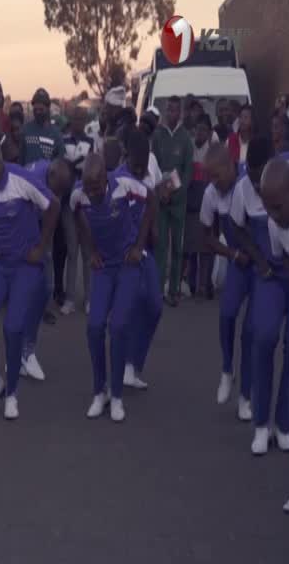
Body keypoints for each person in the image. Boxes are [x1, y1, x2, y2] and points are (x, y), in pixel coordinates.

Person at [0, 133, 60, 419]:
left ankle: (11, 394)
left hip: (25, 266)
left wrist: (41, 247)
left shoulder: (22, 180)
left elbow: (53, 206)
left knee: (12, 327)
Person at [72, 153, 155, 422]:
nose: (92, 193)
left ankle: (117, 395)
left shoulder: (125, 185)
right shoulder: (79, 195)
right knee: (95, 326)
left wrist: (140, 245)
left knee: (118, 326)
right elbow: (78, 219)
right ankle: (100, 391)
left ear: (105, 179)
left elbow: (152, 201)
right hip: (104, 266)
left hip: (128, 264)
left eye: (96, 187)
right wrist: (91, 250)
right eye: (87, 187)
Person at [230, 138, 289, 456]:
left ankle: (284, 423)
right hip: (272, 273)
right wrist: (257, 259)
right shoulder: (244, 188)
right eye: (253, 179)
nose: (256, 186)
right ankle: (260, 424)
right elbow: (234, 226)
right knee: (263, 336)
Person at [200, 143, 253, 420]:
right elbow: (206, 237)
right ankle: (226, 370)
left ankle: (246, 397)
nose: (213, 182)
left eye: (217, 175)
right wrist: (231, 253)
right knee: (227, 314)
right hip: (239, 262)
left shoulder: (249, 182)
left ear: (231, 165)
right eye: (209, 177)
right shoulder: (211, 194)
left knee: (253, 332)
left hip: (262, 264)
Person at [259, 157, 289, 513]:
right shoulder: (274, 223)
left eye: (278, 206)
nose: (273, 214)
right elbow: (285, 258)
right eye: (267, 208)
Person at [22, 156, 75, 380]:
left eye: (63, 191)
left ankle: (27, 352)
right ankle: (21, 354)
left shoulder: (54, 180)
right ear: (51, 176)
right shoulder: (33, 179)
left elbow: (51, 214)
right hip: (20, 229)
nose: (59, 195)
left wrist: (45, 247)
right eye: (58, 189)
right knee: (25, 293)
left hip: (37, 232)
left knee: (46, 287)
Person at [117, 129, 162, 391]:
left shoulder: (145, 180)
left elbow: (151, 210)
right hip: (124, 255)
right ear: (126, 157)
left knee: (154, 306)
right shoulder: (118, 180)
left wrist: (152, 229)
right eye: (135, 165)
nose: (139, 170)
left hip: (145, 252)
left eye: (143, 167)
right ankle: (123, 366)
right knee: (129, 310)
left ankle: (134, 364)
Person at [152, 96, 194, 307]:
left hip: (178, 202)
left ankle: (174, 290)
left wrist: (175, 192)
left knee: (177, 247)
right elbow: (154, 166)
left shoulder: (186, 138)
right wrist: (161, 191)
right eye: (169, 110)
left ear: (180, 112)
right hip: (161, 200)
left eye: (175, 110)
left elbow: (187, 171)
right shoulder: (157, 135)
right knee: (160, 246)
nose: (171, 113)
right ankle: (158, 289)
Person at [57, 105, 93, 315]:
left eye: (82, 118)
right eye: (76, 118)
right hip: (67, 205)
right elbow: (63, 167)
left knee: (88, 253)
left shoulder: (90, 142)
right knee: (72, 251)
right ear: (71, 119)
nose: (79, 122)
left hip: (86, 204)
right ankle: (70, 298)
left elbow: (93, 167)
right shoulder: (63, 141)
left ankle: (89, 299)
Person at [184, 113, 215, 297]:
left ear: (210, 132)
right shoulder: (189, 150)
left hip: (207, 207)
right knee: (191, 248)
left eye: (203, 130)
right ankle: (193, 284)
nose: (199, 134)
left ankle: (205, 284)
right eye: (197, 130)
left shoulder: (212, 153)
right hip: (190, 206)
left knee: (206, 248)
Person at [22, 88, 64, 165]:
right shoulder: (25, 130)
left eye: (41, 109)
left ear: (48, 108)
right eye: (35, 109)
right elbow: (21, 159)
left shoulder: (56, 134)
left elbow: (60, 161)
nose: (38, 112)